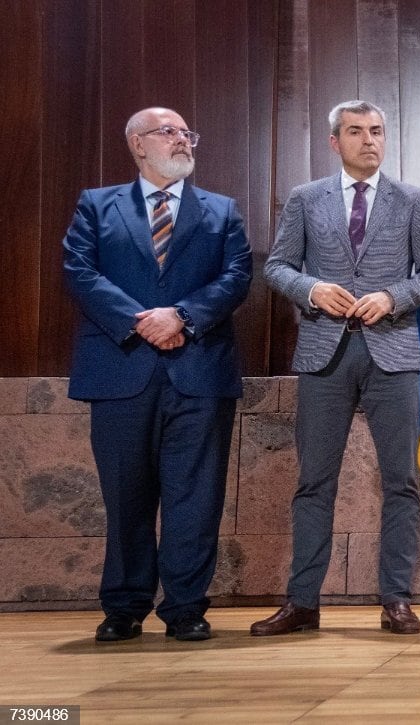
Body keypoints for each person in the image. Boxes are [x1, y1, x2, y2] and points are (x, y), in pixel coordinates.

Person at [253, 100, 420, 636]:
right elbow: (276, 266)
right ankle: (302, 602)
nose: (370, 141)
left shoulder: (412, 200)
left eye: (378, 131)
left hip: (393, 352)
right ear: (334, 141)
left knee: (402, 481)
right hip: (325, 353)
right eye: (357, 132)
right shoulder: (305, 198)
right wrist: (312, 289)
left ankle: (397, 599)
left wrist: (393, 295)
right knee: (314, 482)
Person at [62, 107, 252, 642]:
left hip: (200, 373)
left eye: (187, 132)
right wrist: (140, 322)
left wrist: (182, 318)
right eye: (169, 132)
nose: (183, 140)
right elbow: (79, 270)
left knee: (197, 498)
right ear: (138, 145)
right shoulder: (96, 206)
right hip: (120, 371)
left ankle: (186, 608)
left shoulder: (221, 210)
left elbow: (238, 276)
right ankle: (123, 608)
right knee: (126, 495)